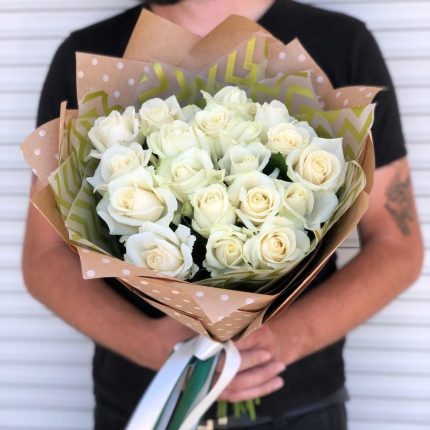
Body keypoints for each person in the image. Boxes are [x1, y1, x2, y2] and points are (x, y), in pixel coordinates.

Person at [22, 0, 424, 429]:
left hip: (298, 406)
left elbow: (397, 246)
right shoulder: (88, 55)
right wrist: (150, 344)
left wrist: (283, 341)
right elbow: (44, 258)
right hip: (146, 406)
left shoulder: (341, 44)